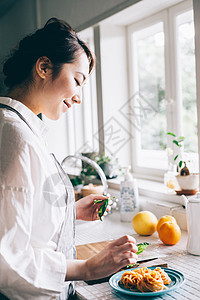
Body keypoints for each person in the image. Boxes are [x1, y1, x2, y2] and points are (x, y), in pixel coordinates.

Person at [0, 18, 138, 300]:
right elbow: (7, 261)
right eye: (78, 80)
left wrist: (69, 212)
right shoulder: (15, 137)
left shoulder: (17, 126)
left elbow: (19, 215)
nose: (78, 98)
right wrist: (87, 268)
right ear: (44, 67)